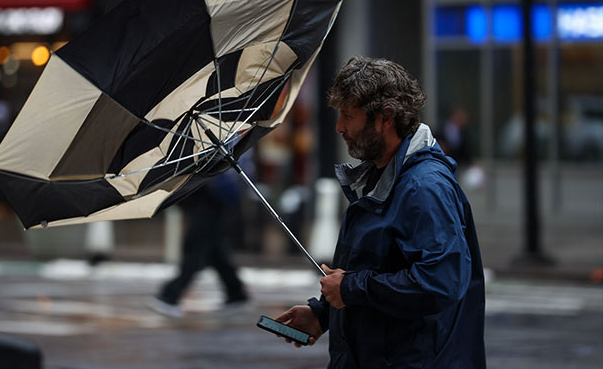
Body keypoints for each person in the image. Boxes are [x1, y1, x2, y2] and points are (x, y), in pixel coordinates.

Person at [275, 57, 485, 368]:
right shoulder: (378, 176)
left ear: (384, 118)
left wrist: (349, 288)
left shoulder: (424, 188)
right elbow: (376, 268)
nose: (339, 127)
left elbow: (440, 281)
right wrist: (323, 314)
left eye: (349, 115)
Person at [149, 171, 249, 317]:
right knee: (216, 252)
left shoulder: (210, 158)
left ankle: (170, 296)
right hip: (209, 200)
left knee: (196, 250)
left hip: (208, 200)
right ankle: (236, 294)